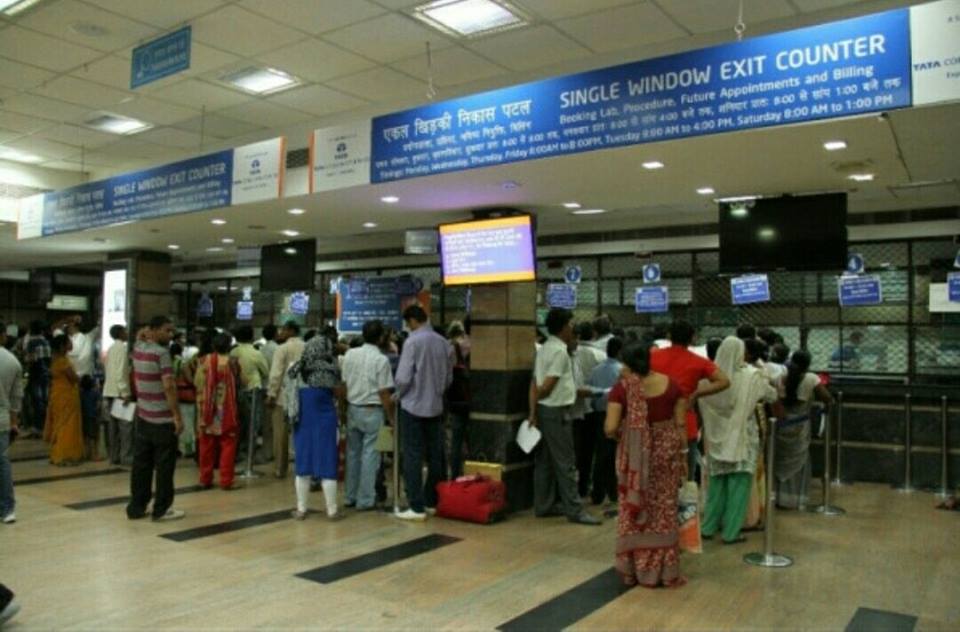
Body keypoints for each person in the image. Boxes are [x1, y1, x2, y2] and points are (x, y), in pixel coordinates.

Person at [604, 341, 687, 588]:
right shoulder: (672, 385)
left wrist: (627, 435)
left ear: (627, 363)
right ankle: (663, 570)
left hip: (635, 459)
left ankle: (632, 569)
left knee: (635, 508)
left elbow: (609, 427)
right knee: (664, 509)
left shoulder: (622, 390)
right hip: (666, 453)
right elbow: (680, 424)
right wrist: (681, 454)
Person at [698, 337, 777, 544]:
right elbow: (772, 396)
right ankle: (731, 533)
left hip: (715, 441)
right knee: (739, 486)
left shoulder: (707, 380)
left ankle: (708, 527)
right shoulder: (753, 376)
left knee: (716, 486)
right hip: (742, 438)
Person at [529, 308, 601, 526]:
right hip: (557, 412)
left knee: (545, 462)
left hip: (543, 411)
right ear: (563, 327)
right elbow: (546, 385)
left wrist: (533, 411)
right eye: (571, 324)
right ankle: (575, 510)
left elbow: (533, 383)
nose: (573, 329)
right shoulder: (560, 352)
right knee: (566, 463)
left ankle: (544, 505)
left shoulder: (544, 348)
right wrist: (543, 394)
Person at [393, 305, 454, 521]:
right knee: (436, 456)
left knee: (413, 455)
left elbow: (402, 378)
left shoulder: (412, 342)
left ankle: (416, 507)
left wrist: (399, 394)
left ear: (411, 321)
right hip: (435, 407)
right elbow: (448, 378)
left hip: (412, 407)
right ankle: (431, 501)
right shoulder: (443, 343)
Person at [650, 321, 730, 481]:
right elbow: (724, 381)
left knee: (655, 473)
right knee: (685, 474)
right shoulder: (699, 362)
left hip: (654, 420)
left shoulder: (652, 356)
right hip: (686, 422)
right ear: (693, 338)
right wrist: (696, 394)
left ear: (668, 336)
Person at [127, 316, 185, 522]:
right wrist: (177, 416)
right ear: (155, 330)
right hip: (162, 421)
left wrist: (143, 332)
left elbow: (137, 336)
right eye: (167, 331)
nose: (170, 335)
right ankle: (161, 509)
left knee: (141, 465)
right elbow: (169, 386)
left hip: (143, 417)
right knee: (164, 467)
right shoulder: (162, 354)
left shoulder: (138, 348)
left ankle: (136, 507)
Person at [342, 320, 395, 511]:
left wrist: (342, 410)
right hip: (373, 410)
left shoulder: (350, 354)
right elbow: (384, 393)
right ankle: (365, 499)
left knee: (352, 454)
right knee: (370, 456)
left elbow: (344, 384)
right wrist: (391, 418)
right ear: (381, 337)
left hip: (352, 408)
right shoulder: (381, 360)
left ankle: (350, 496)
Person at [290, 330, 344, 520]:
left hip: (303, 420)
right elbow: (339, 394)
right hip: (326, 420)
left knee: (303, 464)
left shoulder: (298, 368)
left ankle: (301, 509)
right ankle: (332, 510)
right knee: (328, 462)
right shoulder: (332, 367)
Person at [775, 350, 833, 509]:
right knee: (799, 462)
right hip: (800, 426)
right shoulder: (811, 378)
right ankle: (795, 499)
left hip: (781, 425)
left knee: (780, 461)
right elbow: (827, 397)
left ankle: (778, 497)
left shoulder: (782, 378)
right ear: (807, 364)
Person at [195, 333, 240, 490]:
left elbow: (198, 383)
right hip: (226, 409)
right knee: (228, 445)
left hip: (206, 409)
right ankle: (226, 480)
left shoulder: (204, 361)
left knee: (206, 445)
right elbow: (241, 381)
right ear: (229, 346)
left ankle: (205, 479)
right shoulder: (232, 363)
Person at [267, 321, 305, 478]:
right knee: (302, 432)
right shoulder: (308, 347)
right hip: (304, 395)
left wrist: (271, 394)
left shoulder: (282, 349)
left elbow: (276, 373)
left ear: (290, 331)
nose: (280, 333)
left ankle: (280, 469)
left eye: (283, 330)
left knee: (280, 434)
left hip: (283, 396)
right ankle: (303, 467)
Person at [588, 336, 623, 510]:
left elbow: (590, 392)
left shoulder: (595, 370)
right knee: (611, 457)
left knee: (601, 455)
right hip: (614, 417)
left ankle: (599, 493)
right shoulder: (621, 371)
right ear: (619, 351)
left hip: (597, 416)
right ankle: (609, 492)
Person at [572, 322, 605, 500]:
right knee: (588, 451)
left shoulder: (571, 354)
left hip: (573, 408)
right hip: (592, 408)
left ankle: (574, 488)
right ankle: (584, 485)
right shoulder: (599, 355)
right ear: (593, 333)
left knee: (574, 451)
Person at [43, 335, 85, 466]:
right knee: (67, 426)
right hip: (66, 396)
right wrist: (81, 379)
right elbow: (73, 378)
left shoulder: (55, 359)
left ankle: (56, 453)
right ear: (62, 346)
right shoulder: (63, 361)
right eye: (69, 342)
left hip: (57, 395)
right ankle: (65, 455)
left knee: (59, 424)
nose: (71, 344)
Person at [230, 325, 269, 466]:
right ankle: (250, 455)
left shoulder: (233, 352)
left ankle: (238, 452)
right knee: (254, 423)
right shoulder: (255, 353)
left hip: (236, 391)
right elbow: (265, 371)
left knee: (239, 422)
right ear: (251, 337)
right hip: (253, 390)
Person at [0, 322, 24, 525]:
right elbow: (17, 398)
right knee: (2, 463)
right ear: (3, 336)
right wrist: (15, 422)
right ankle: (7, 509)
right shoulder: (13, 361)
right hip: (2, 419)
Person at [102, 325, 132, 465]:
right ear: (120, 333)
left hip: (109, 391)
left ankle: (113, 456)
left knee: (112, 427)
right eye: (125, 331)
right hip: (119, 392)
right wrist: (125, 391)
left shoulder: (111, 349)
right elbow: (121, 371)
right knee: (125, 426)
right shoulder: (122, 349)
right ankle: (125, 456)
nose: (127, 333)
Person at [445, 321, 470, 480]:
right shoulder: (483, 345)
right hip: (479, 400)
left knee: (456, 441)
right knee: (475, 440)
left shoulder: (452, 348)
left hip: (457, 400)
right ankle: (474, 473)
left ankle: (455, 476)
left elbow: (447, 375)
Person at [23, 320, 50, 438]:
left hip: (35, 375)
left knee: (35, 402)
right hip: (46, 375)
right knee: (44, 401)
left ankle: (37, 427)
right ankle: (45, 427)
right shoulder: (46, 342)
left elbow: (30, 359)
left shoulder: (32, 343)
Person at [80, 374, 101, 460]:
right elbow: (98, 405)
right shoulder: (96, 393)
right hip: (93, 417)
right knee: (94, 437)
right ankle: (94, 455)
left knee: (86, 436)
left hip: (84, 417)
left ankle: (86, 453)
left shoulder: (80, 393)